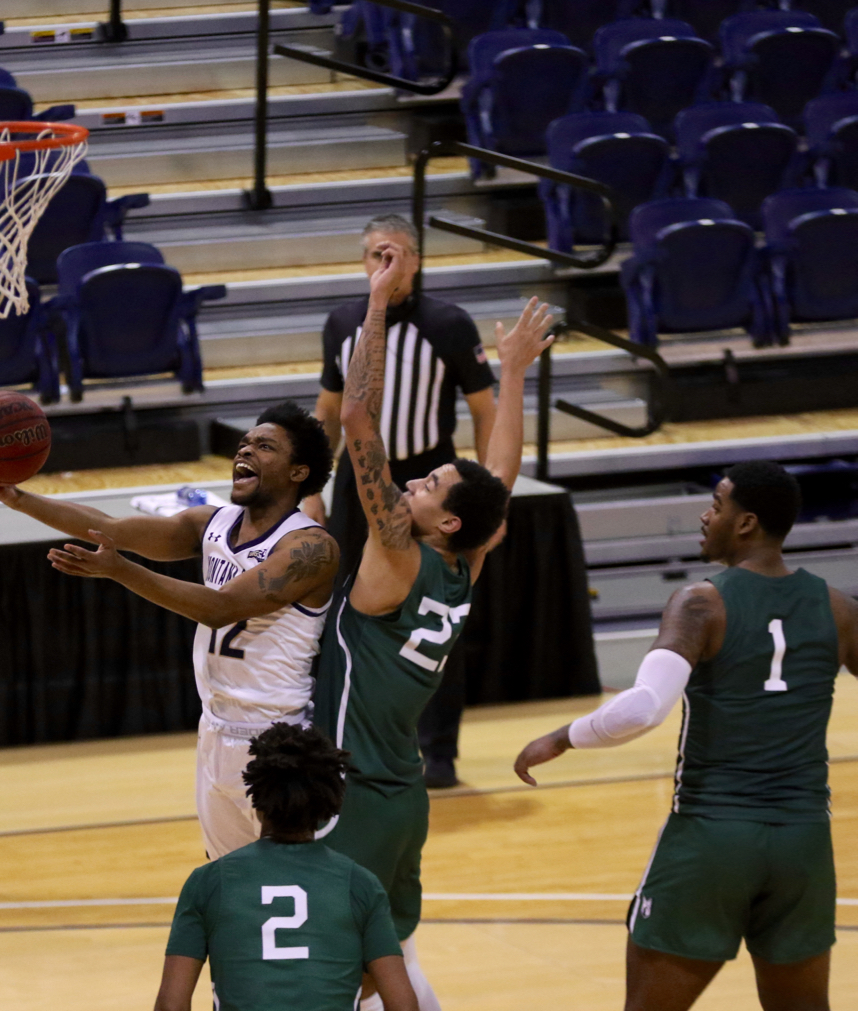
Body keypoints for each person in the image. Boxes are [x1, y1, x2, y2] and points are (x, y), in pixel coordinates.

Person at [514, 460, 858, 1011]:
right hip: (804, 843)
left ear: (745, 523)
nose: (704, 516)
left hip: (711, 836)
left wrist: (560, 738)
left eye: (716, 505)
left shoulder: (702, 601)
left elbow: (645, 707)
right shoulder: (839, 608)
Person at [312, 237, 554, 1011]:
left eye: (430, 484)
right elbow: (500, 477)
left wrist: (376, 302)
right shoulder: (465, 558)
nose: (414, 480)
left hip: (354, 791)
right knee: (390, 960)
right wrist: (512, 374)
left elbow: (356, 415)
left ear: (445, 521)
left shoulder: (395, 551)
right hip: (404, 791)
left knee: (330, 971)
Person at [0, 402, 337, 859]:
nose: (245, 450)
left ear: (298, 472)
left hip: (279, 738)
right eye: (245, 442)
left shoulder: (311, 547)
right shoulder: (212, 523)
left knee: (292, 878)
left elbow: (220, 608)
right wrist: (16, 498)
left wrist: (120, 571)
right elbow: (109, 528)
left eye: (265, 446)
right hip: (215, 730)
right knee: (227, 881)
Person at [304, 213, 499, 789]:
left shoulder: (449, 323)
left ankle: (438, 752)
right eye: (376, 254)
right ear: (364, 262)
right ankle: (339, 739)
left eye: (396, 254)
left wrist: (491, 502)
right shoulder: (343, 322)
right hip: (359, 480)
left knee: (434, 613)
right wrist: (311, 489)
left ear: (415, 260)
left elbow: (484, 411)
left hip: (427, 476)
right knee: (346, 606)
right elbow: (329, 410)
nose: (386, 264)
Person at [154, 722, 418, 1011]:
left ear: (257, 802)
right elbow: (403, 1006)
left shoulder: (208, 882)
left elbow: (171, 1006)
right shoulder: (360, 884)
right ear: (327, 806)